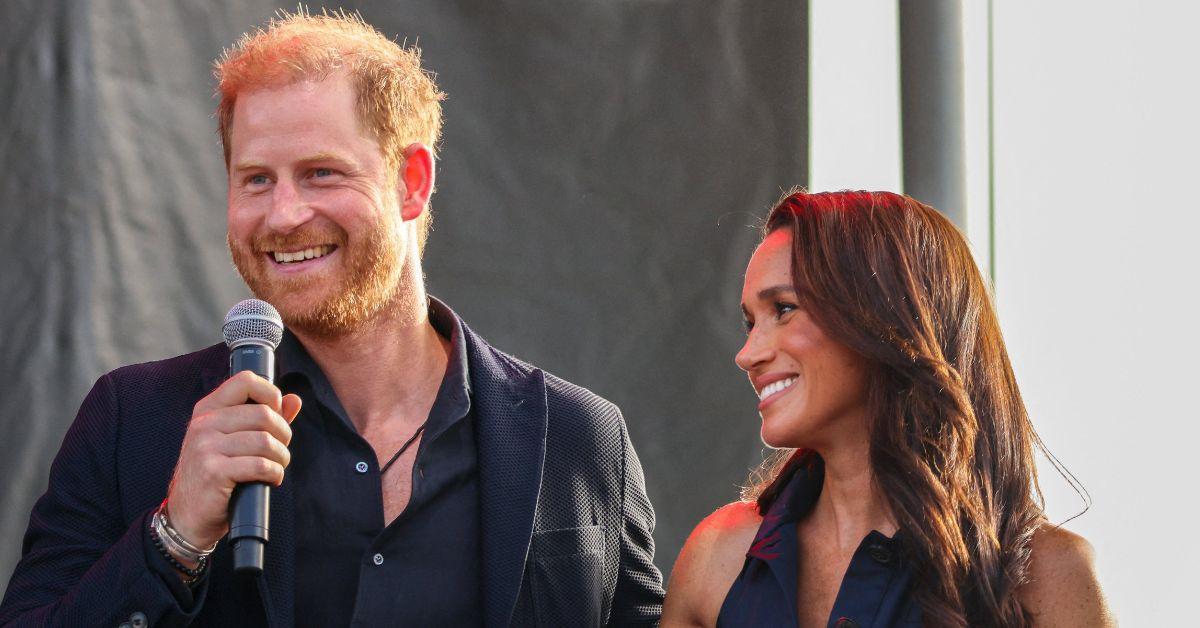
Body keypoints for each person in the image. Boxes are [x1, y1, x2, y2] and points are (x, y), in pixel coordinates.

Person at [0, 10, 663, 627]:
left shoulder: (577, 437)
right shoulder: (134, 424)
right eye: (257, 179)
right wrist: (173, 537)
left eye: (320, 173)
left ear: (412, 182)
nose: (283, 215)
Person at [661, 190, 1113, 627]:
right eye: (749, 322)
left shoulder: (1049, 577)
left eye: (784, 308)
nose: (747, 354)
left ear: (886, 319)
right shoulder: (718, 559)